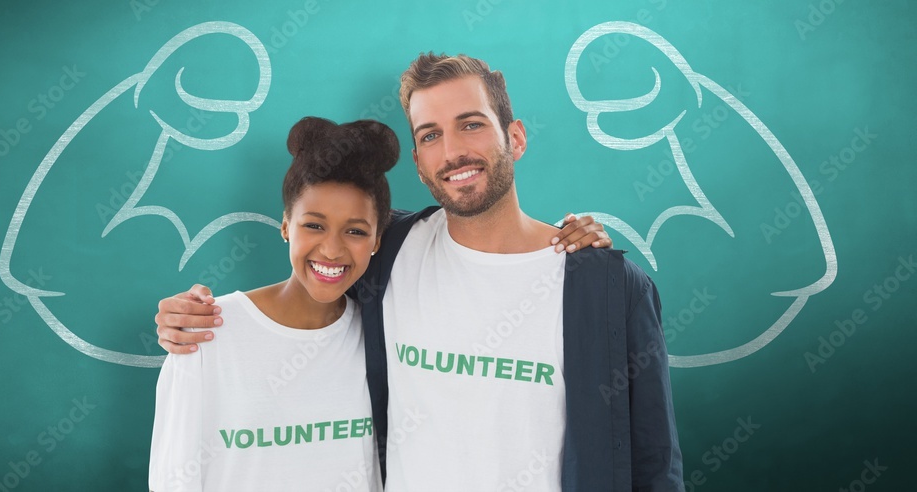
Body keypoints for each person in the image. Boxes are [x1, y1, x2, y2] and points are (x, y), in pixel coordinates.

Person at [157, 53, 681, 491]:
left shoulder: (605, 287)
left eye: (471, 124)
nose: (452, 151)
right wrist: (195, 315)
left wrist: (590, 248)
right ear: (417, 161)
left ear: (515, 138)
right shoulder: (390, 249)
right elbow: (320, 267)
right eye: (430, 135)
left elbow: (654, 460)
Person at [149, 117, 395, 491]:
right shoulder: (207, 332)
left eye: (356, 231)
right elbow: (174, 479)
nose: (331, 249)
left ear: (377, 240)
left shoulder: (381, 334)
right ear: (285, 226)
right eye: (314, 225)